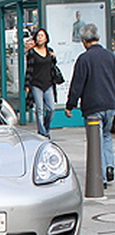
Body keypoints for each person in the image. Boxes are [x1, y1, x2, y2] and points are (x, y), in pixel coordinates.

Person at [65, 23, 115, 188]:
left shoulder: (84, 59)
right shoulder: (110, 56)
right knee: (106, 136)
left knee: (95, 140)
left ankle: (101, 177)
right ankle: (109, 166)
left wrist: (70, 105)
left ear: (84, 41)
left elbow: (77, 84)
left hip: (93, 106)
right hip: (110, 104)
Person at [25, 28, 57, 138]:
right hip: (36, 84)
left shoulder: (49, 51)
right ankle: (43, 132)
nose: (40, 38)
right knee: (39, 110)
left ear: (46, 38)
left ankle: (46, 128)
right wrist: (27, 85)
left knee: (51, 109)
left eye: (42, 36)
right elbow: (29, 69)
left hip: (48, 83)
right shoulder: (32, 52)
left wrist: (54, 57)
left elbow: (52, 67)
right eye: (38, 36)